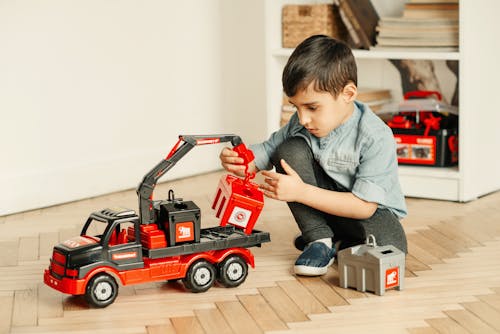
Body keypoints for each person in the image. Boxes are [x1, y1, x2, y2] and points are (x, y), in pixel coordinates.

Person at [220, 35, 407, 276]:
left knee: (394, 248)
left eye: (312, 107)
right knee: (288, 149)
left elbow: (364, 207)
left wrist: (300, 192)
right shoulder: (302, 123)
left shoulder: (375, 136)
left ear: (348, 94)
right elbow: (268, 150)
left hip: (365, 213)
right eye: (296, 107)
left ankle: (338, 242)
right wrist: (242, 159)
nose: (303, 118)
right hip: (324, 206)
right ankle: (318, 240)